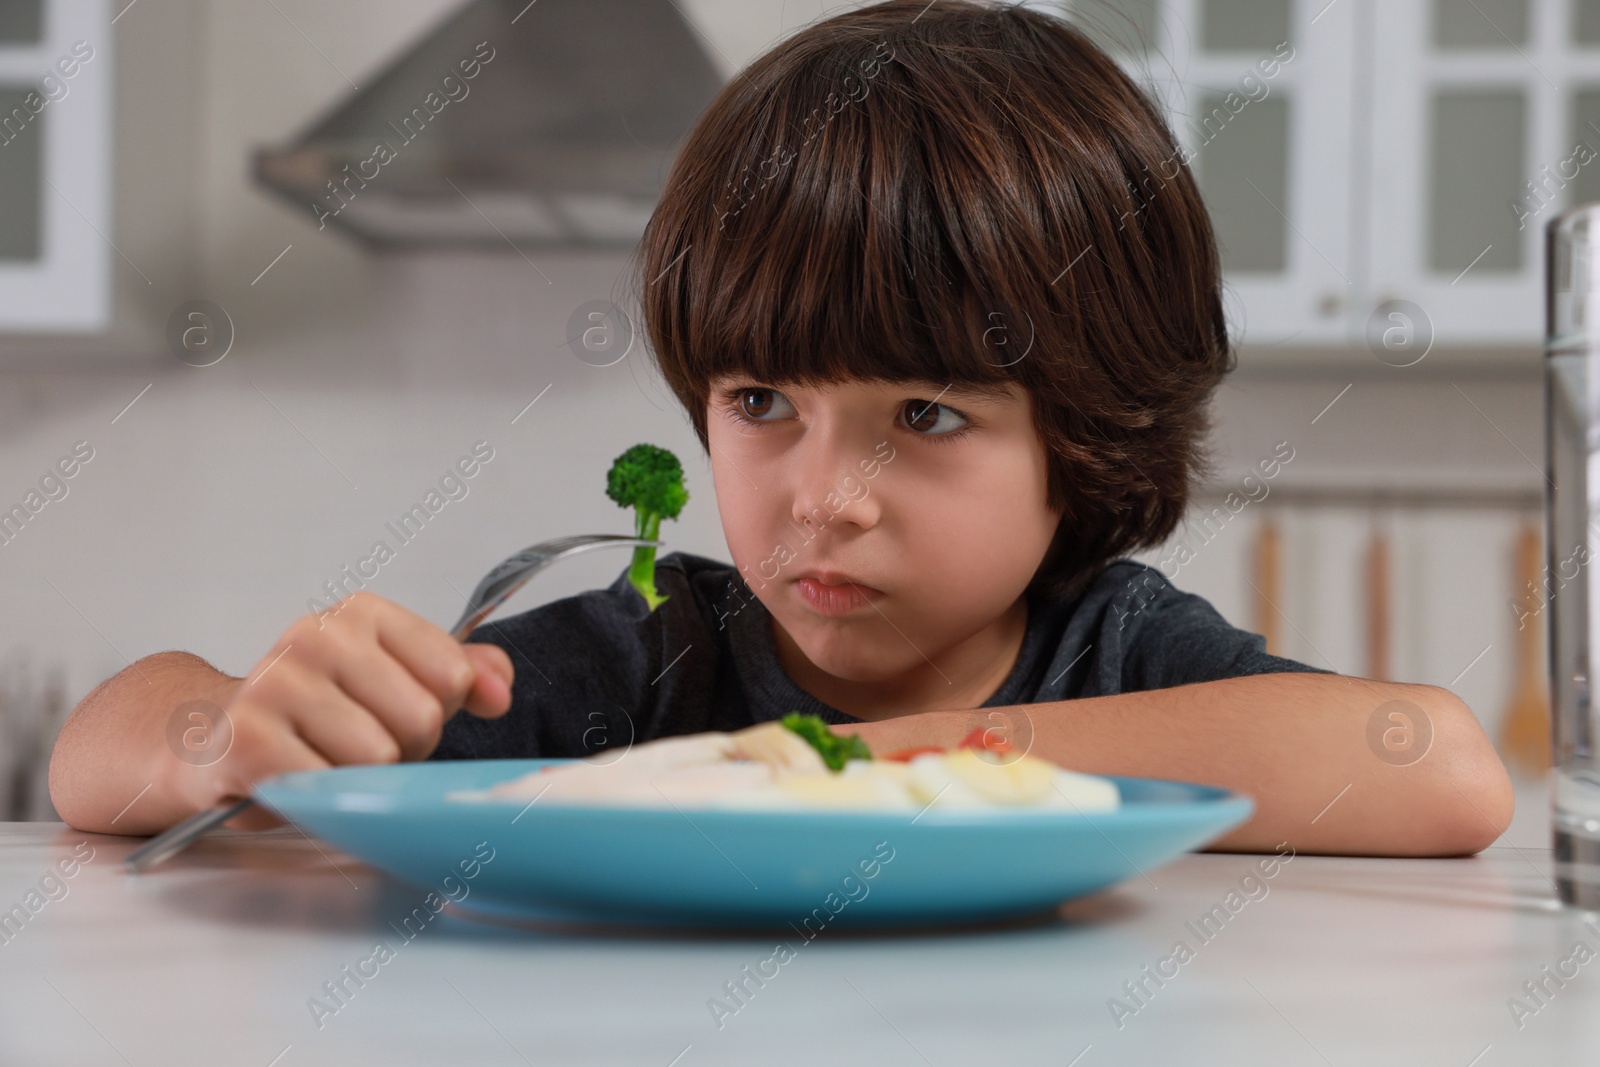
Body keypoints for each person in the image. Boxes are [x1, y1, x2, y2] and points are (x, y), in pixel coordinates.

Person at [48, 0, 1512, 855]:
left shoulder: (1111, 652)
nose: (824, 498)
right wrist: (224, 737)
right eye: (761, 403)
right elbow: (99, 750)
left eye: (925, 414)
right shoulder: (647, 649)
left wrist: (842, 770)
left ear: (1090, 437)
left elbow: (1436, 762)